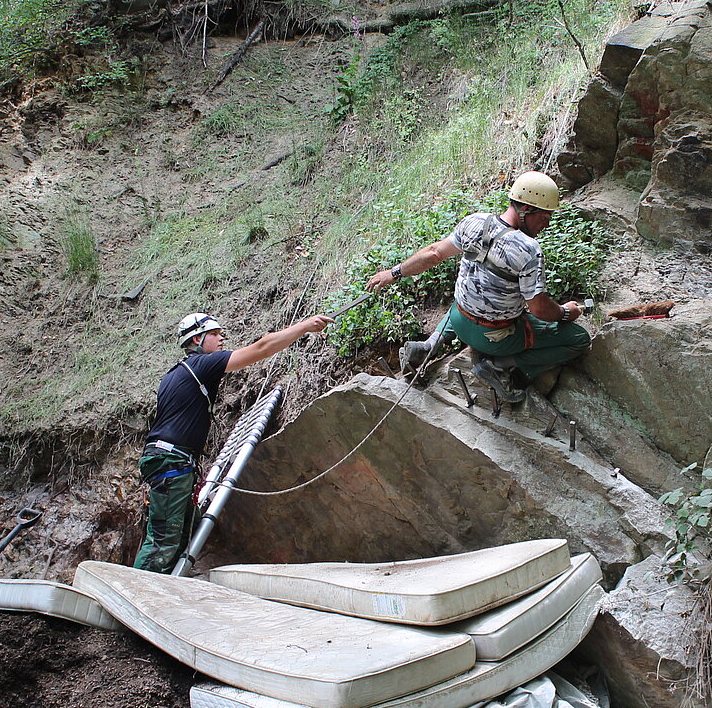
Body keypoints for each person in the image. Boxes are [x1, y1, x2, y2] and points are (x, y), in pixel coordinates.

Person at [133, 310, 332, 573]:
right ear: (196, 340)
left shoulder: (173, 376)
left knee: (180, 535)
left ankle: (156, 591)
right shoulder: (200, 365)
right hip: (172, 463)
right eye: (214, 334)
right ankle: (132, 596)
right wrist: (305, 326)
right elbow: (262, 348)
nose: (221, 338)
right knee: (164, 543)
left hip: (168, 462)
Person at [365, 171, 590, 403]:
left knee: (467, 293)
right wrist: (565, 312)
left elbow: (433, 254)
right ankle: (498, 366)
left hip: (459, 320)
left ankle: (428, 346)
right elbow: (539, 309)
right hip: (495, 338)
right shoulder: (529, 250)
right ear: (526, 210)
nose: (547, 224)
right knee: (579, 339)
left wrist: (393, 273)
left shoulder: (474, 222)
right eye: (544, 217)